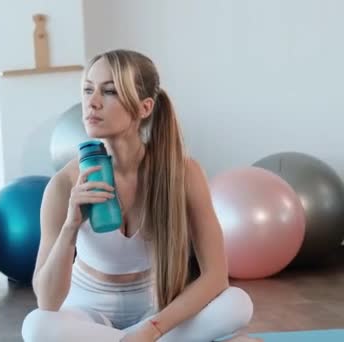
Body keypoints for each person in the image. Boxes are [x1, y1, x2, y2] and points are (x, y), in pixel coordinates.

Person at [21, 49, 259, 342]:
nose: (92, 102)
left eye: (109, 92)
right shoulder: (64, 184)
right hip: (87, 311)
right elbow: (46, 301)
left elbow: (215, 276)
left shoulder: (182, 172)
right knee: (36, 327)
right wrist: (71, 226)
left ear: (144, 108)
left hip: (155, 310)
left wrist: (153, 329)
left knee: (236, 304)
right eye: (87, 90)